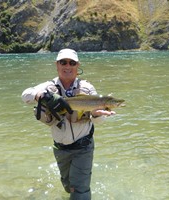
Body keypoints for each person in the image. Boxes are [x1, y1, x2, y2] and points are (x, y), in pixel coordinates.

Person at [22, 48, 115, 200]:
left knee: (80, 191)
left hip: (83, 147)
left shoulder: (87, 88)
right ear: (57, 65)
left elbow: (98, 120)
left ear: (78, 66)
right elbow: (25, 95)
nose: (67, 66)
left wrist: (97, 114)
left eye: (72, 63)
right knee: (68, 186)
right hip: (60, 148)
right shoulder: (48, 87)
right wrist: (41, 96)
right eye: (63, 62)